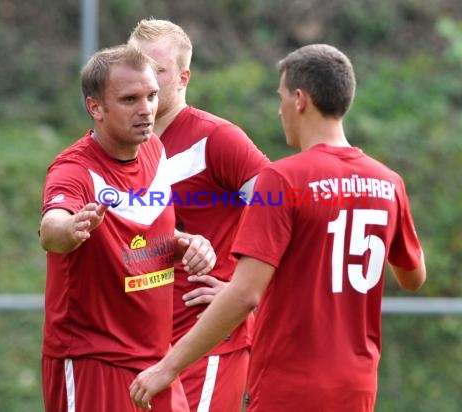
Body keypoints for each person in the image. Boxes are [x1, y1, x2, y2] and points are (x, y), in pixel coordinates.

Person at [129, 44, 427, 411]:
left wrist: (166, 369)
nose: (279, 109)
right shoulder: (388, 183)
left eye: (281, 97)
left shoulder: (283, 179)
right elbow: (413, 277)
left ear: (299, 100)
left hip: (290, 380)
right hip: (358, 382)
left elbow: (245, 294)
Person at [39, 44, 217, 412]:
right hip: (93, 361)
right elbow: (51, 230)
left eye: (151, 96)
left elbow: (151, 237)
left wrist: (188, 244)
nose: (146, 109)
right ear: (95, 107)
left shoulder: (153, 149)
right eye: (130, 99)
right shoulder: (74, 169)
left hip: (156, 362)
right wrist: (70, 229)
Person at [128, 19, 269, 412]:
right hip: (140, 344)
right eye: (137, 66)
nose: (146, 81)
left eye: (158, 70)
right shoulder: (123, 146)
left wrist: (245, 293)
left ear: (184, 77)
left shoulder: (217, 139)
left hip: (205, 342)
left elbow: (287, 219)